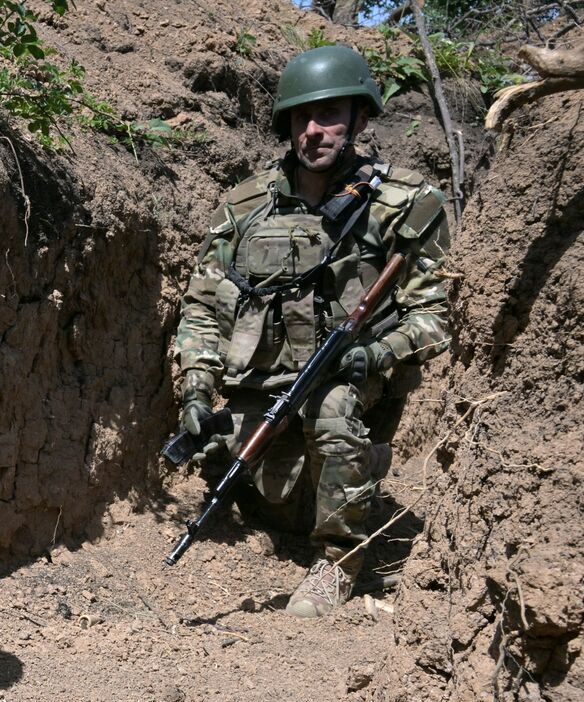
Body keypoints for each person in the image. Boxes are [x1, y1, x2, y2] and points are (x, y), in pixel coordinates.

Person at [173, 46, 451, 617]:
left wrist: (375, 355)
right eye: (303, 118)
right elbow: (201, 305)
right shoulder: (247, 205)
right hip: (264, 385)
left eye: (329, 116)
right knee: (238, 457)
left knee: (331, 408)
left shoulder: (404, 204)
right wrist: (197, 386)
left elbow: (435, 318)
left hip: (346, 377)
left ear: (360, 118)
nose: (315, 131)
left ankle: (338, 563)